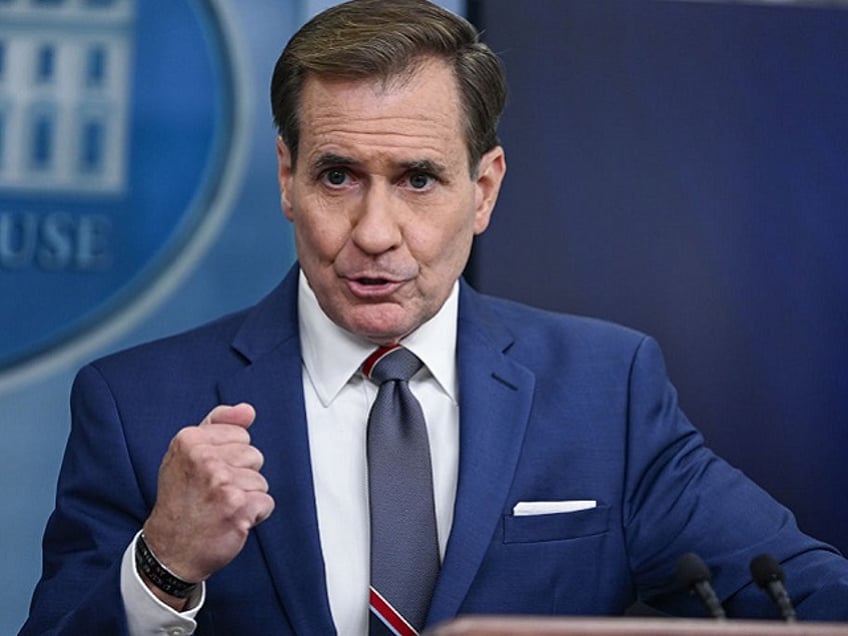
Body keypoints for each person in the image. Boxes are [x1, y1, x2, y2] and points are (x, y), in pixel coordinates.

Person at [20, 0, 848, 634]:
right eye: (338, 176)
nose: (375, 233)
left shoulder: (607, 391)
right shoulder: (135, 404)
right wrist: (161, 566)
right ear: (286, 177)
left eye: (418, 179)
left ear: (482, 190)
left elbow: (801, 593)